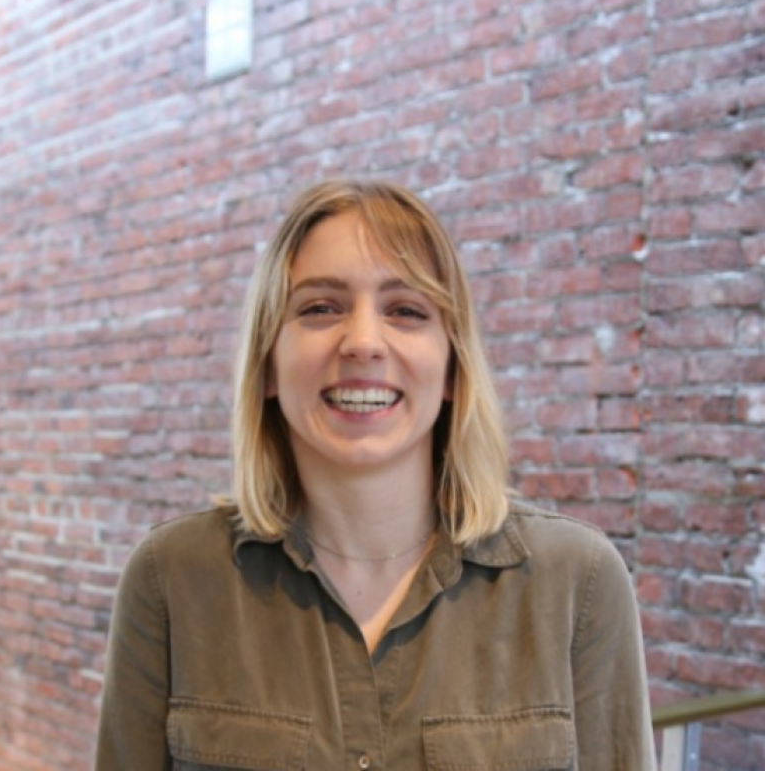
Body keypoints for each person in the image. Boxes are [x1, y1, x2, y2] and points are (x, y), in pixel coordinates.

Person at [94, 180, 656, 770]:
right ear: (267, 364)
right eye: (319, 308)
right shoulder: (171, 581)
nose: (363, 342)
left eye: (406, 310)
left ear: (451, 370)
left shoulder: (577, 583)